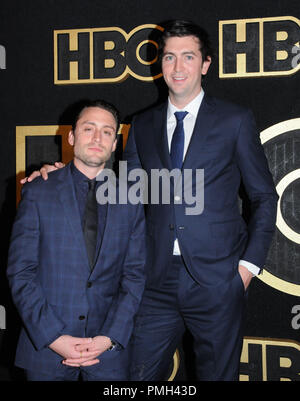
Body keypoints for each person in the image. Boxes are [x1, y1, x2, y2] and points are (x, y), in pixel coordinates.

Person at [23, 20, 278, 381]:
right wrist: (61, 175)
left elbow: (265, 197)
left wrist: (246, 270)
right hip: (154, 282)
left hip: (219, 279)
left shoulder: (235, 121)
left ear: (205, 64)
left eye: (188, 57)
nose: (178, 67)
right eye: (170, 57)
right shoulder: (141, 124)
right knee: (136, 377)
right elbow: (124, 192)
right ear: (160, 65)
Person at [7, 100, 146, 381]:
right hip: (46, 350)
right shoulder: (38, 191)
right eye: (88, 128)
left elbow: (135, 275)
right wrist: (54, 337)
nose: (97, 138)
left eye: (107, 132)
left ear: (115, 143)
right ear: (71, 136)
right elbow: (21, 272)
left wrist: (109, 337)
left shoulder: (131, 199)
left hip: (108, 352)